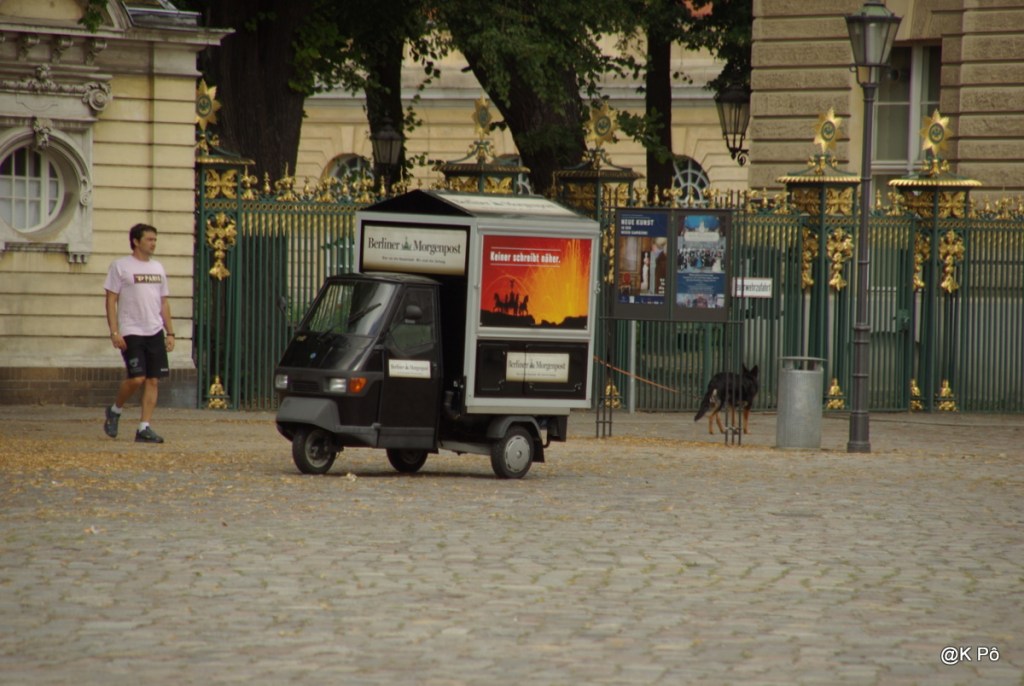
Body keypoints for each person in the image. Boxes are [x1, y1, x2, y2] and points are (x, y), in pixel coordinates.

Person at [102, 223, 175, 443]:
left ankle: (144, 427)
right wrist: (114, 331)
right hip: (131, 330)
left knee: (153, 380)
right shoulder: (121, 266)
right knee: (137, 378)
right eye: (149, 239)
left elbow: (164, 302)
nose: (153, 243)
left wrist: (170, 332)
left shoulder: (158, 268)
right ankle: (115, 410)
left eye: (155, 239)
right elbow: (111, 299)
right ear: (136, 241)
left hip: (154, 330)